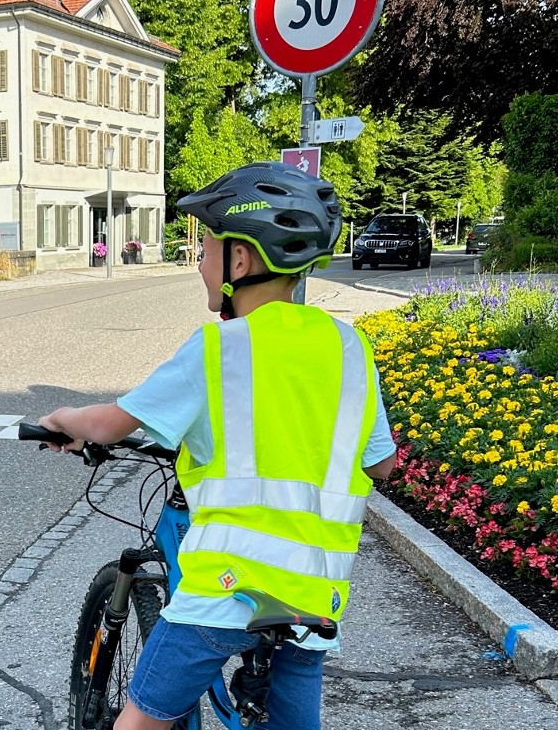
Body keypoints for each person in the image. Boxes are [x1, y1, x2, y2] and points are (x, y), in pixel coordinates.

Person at [37, 161, 397, 730]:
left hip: (225, 589)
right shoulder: (349, 348)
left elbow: (110, 424)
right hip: (315, 591)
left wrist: (64, 420)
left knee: (141, 721)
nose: (200, 265)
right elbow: (382, 463)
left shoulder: (218, 348)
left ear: (241, 260)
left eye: (205, 250)